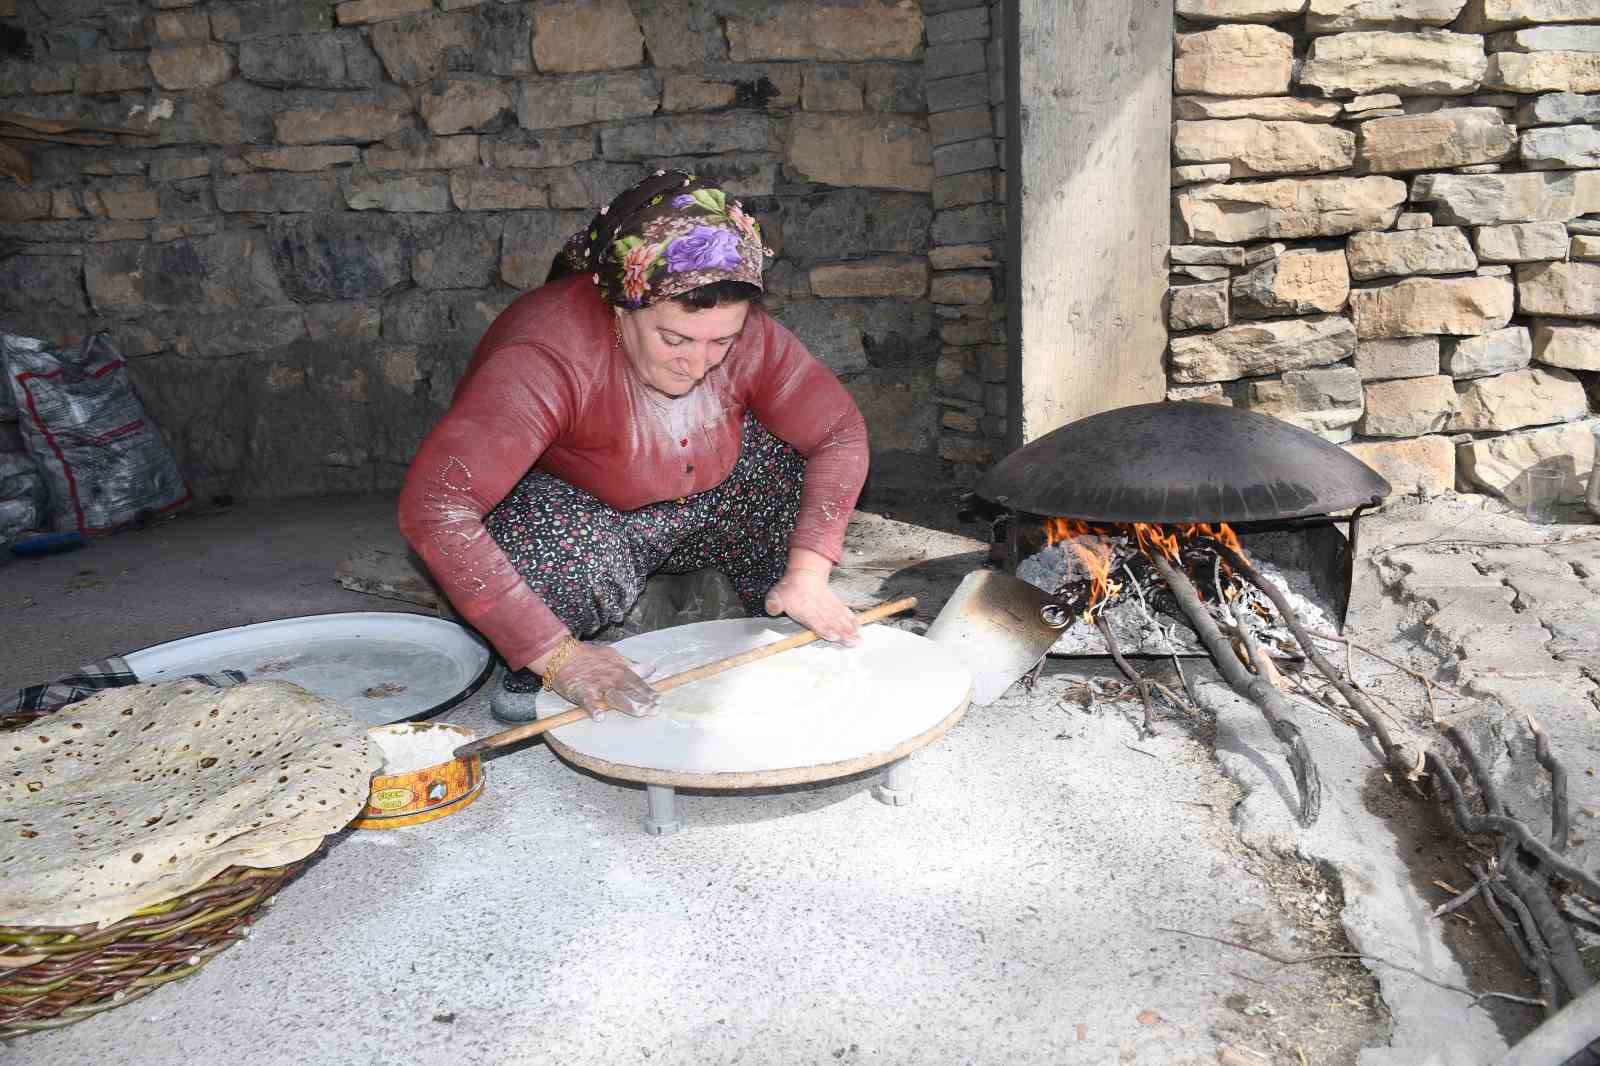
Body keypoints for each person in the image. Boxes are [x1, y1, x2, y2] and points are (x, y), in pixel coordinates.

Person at [397, 171, 870, 725]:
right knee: (548, 568)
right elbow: (436, 506)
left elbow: (839, 431)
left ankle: (772, 593)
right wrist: (559, 657)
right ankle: (537, 665)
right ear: (621, 307)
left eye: (721, 341)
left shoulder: (752, 337)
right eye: (674, 339)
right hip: (588, 517)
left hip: (709, 506)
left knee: (793, 467)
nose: (698, 364)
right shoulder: (546, 352)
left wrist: (810, 571)